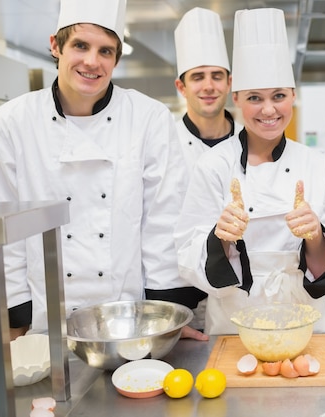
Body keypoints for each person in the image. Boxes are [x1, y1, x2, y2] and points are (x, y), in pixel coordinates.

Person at [0, 0, 188, 337]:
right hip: (44, 318)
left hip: (129, 318)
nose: (92, 62)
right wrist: (16, 311)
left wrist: (164, 314)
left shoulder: (147, 117)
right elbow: (6, 222)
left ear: (117, 59)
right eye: (81, 45)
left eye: (106, 51)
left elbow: (162, 219)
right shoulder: (12, 121)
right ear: (55, 46)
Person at [174, 8, 325, 335]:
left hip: (306, 319)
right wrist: (220, 239)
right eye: (255, 98)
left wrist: (315, 236)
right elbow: (186, 256)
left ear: (293, 97)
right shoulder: (213, 165)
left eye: (279, 96)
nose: (268, 110)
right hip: (234, 319)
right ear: (237, 97)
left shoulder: (318, 164)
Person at [145, 7, 240, 341]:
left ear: (230, 82)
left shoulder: (252, 144)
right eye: (198, 76)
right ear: (181, 86)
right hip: (174, 294)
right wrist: (159, 311)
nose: (209, 86)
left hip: (237, 295)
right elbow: (147, 227)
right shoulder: (159, 144)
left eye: (217, 75)